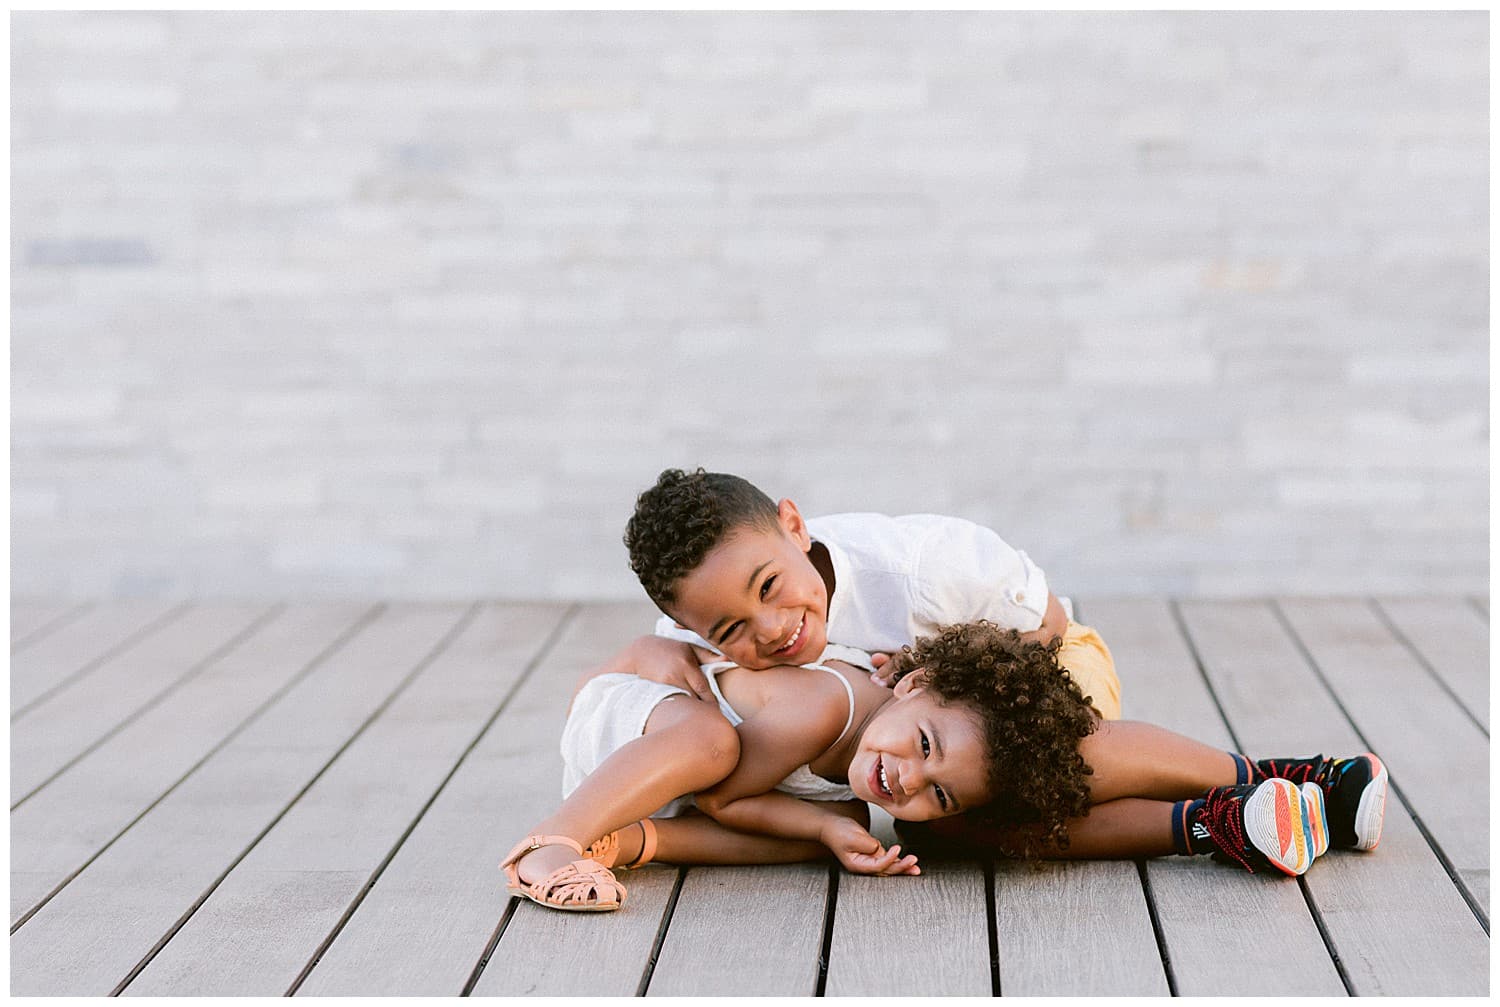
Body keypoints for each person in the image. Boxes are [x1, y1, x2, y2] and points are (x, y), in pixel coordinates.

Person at [504, 621, 1383, 914]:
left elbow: (753, 806)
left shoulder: (904, 739)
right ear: (913, 683)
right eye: (922, 747)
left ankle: (1233, 813)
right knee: (721, 749)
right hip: (639, 727)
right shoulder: (828, 702)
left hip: (676, 790)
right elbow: (726, 789)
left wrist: (830, 829)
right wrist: (820, 824)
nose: (908, 781)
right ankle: (553, 841)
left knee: (858, 829)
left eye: (938, 790)